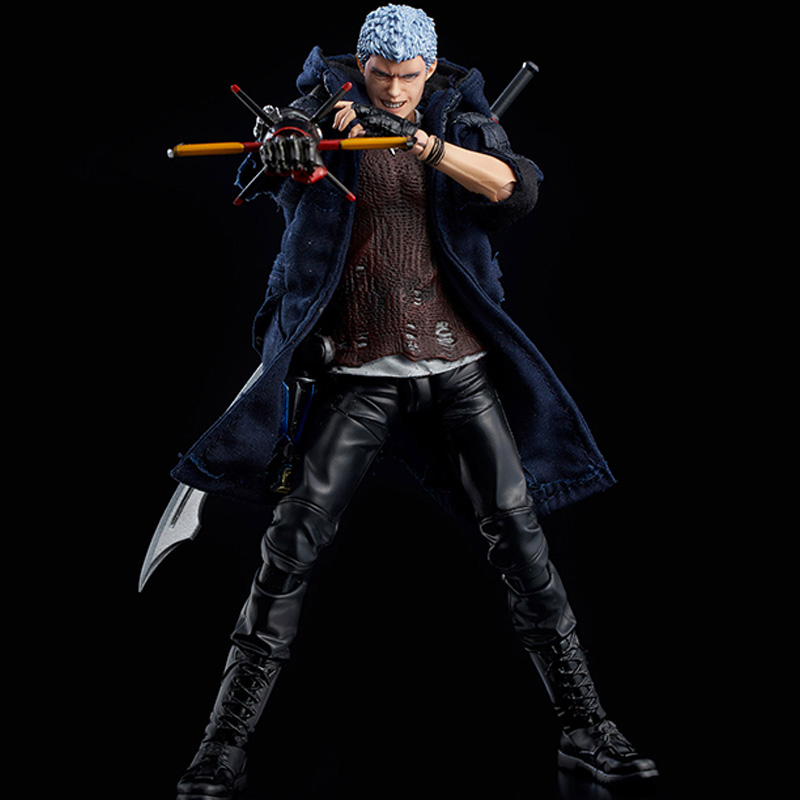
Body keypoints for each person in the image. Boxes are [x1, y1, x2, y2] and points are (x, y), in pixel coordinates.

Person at [171, 6, 658, 798]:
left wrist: (421, 143)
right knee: (287, 554)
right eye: (379, 75)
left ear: (431, 69)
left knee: (524, 549)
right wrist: (289, 147)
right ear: (360, 64)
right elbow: (280, 153)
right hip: (354, 377)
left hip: (458, 372)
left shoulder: (461, 119)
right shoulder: (321, 108)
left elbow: (512, 187)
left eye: (408, 76)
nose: (394, 89)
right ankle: (222, 744)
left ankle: (586, 728)